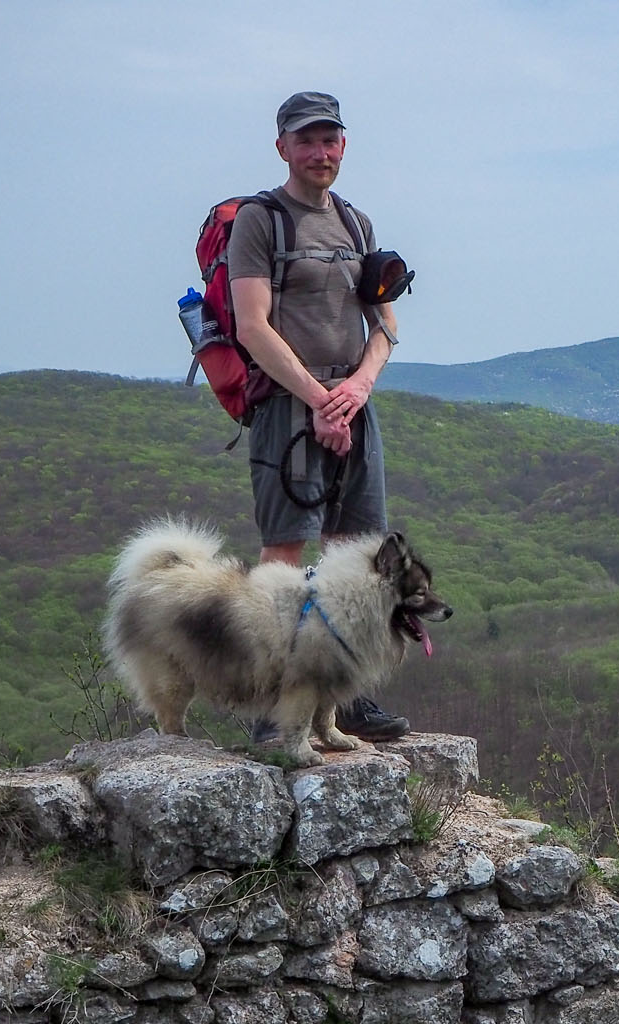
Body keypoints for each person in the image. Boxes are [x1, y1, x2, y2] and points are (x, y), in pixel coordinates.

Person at [230, 90, 408, 742]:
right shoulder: (262, 221)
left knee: (357, 556)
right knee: (282, 557)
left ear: (344, 144)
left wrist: (356, 390)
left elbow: (386, 325)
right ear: (282, 147)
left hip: (352, 406)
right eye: (306, 140)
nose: (319, 152)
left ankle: (345, 696)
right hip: (287, 406)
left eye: (329, 139)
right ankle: (273, 707)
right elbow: (253, 328)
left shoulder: (357, 225)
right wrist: (318, 399)